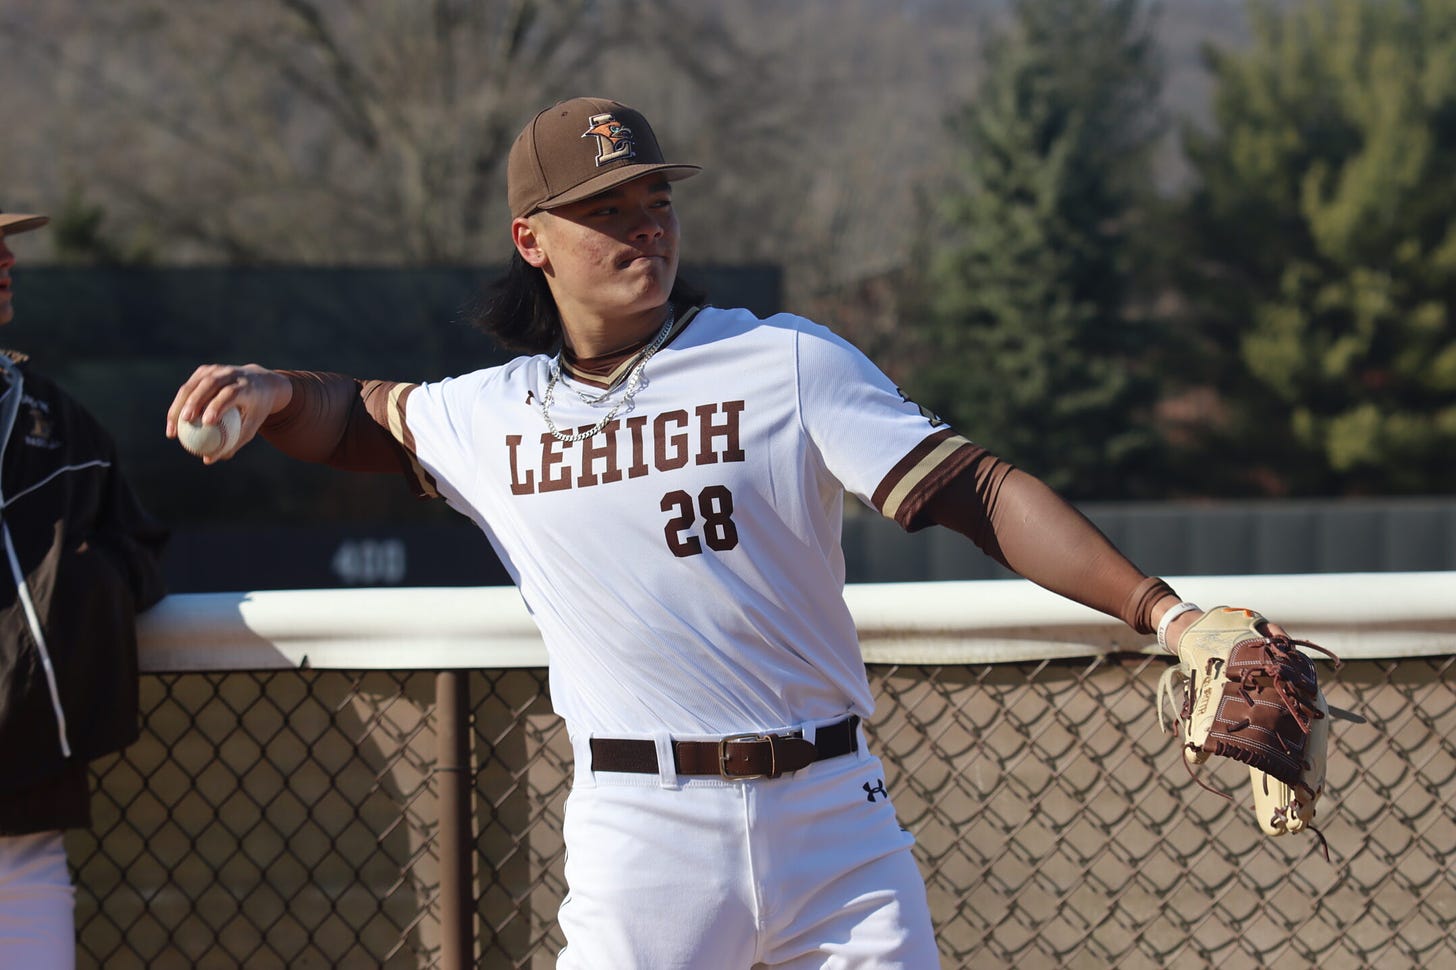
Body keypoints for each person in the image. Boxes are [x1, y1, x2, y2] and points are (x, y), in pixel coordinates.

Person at [164, 97, 1283, 968]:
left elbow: (975, 492)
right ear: (532, 240)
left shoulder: (782, 359)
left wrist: (1167, 613)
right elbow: (361, 418)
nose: (642, 220)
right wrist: (267, 390)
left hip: (832, 820)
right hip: (642, 827)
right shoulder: (494, 413)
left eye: (652, 197)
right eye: (605, 207)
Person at [1, 209, 169, 968]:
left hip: (27, 820)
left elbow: (138, 550)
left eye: (6, 241)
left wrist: (78, 583)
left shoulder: (56, 419)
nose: (7, 258)